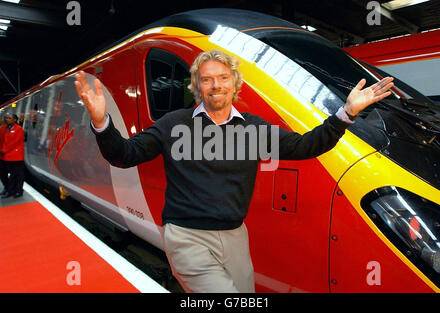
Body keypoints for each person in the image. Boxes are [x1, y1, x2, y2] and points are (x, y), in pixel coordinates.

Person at [74, 49, 394, 292]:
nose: (216, 85)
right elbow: (124, 155)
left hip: (235, 237)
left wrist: (346, 112)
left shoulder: (253, 129)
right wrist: (102, 122)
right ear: (197, 87)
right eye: (207, 79)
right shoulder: (174, 124)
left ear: (235, 84)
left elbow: (307, 146)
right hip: (187, 237)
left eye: (223, 78)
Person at [0, 113, 25, 198]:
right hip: (4, 156)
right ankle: (8, 189)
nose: (7, 119)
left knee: (16, 175)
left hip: (15, 157)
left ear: (14, 120)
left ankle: (16, 191)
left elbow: (14, 143)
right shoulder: (3, 128)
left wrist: (3, 150)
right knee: (3, 174)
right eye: (6, 118)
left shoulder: (19, 129)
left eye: (9, 118)